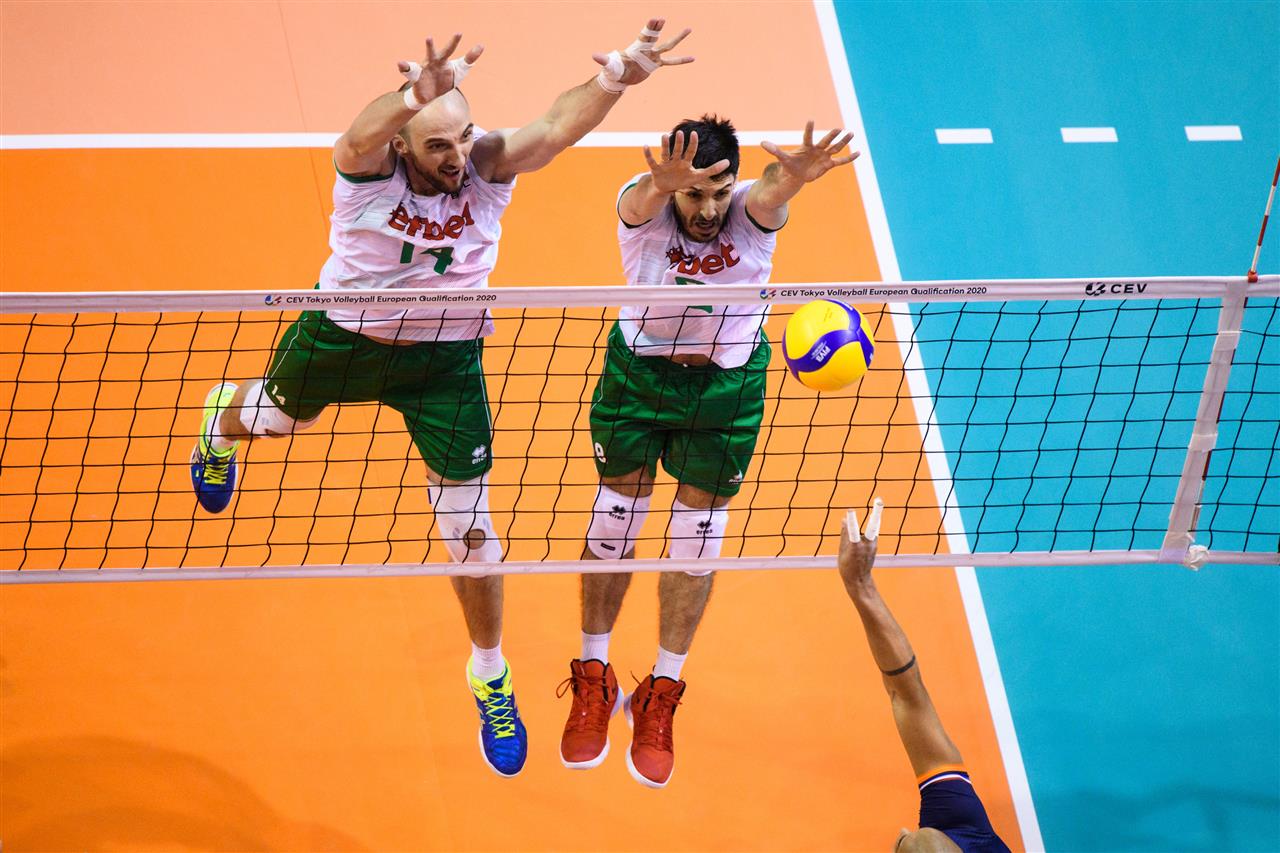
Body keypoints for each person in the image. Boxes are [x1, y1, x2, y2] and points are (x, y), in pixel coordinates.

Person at [188, 21, 695, 778]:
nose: (457, 155)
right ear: (403, 146)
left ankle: (489, 675)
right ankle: (219, 425)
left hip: (446, 364)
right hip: (343, 338)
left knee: (471, 534)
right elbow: (357, 136)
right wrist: (407, 96)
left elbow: (556, 128)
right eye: (437, 145)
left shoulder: (483, 166)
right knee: (269, 419)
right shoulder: (368, 171)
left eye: (461, 137)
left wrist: (617, 76)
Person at [557, 118, 859, 787]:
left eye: (718, 193)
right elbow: (640, 198)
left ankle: (662, 690)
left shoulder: (750, 214)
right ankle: (594, 674)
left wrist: (796, 176)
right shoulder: (645, 208)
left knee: (697, 541)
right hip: (640, 378)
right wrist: (662, 184)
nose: (707, 210)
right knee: (613, 528)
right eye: (693, 195)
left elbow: (772, 189)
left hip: (724, 390)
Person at [837, 506, 1012, 852]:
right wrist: (861, 586)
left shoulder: (950, 824)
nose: (905, 831)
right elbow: (907, 692)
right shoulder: (957, 818)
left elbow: (906, 695)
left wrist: (860, 587)